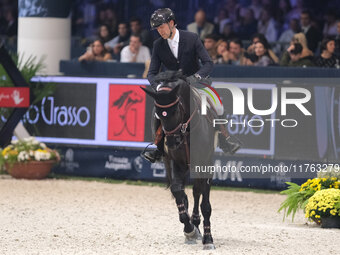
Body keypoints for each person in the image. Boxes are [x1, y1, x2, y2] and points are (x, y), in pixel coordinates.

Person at [143, 8, 240, 163]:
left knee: (217, 104)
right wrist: (158, 87)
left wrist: (195, 77)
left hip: (196, 82)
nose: (159, 31)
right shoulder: (158, 45)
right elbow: (152, 73)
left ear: (171, 23)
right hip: (173, 87)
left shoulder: (192, 38)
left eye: (161, 27)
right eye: (157, 29)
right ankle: (158, 148)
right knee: (157, 110)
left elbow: (208, 63)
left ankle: (225, 138)